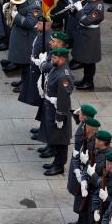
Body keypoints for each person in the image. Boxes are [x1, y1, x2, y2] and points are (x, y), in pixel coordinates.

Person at [38, 47, 74, 176]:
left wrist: (60, 117)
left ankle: (59, 166)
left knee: (60, 141)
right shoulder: (56, 68)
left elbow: (63, 99)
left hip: (58, 111)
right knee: (54, 137)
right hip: (51, 108)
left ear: (62, 59)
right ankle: (55, 162)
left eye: (54, 58)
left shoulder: (64, 76)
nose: (51, 60)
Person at [71, 0, 105, 91]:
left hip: (90, 35)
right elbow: (80, 17)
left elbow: (86, 21)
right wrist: (74, 10)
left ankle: (89, 82)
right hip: (84, 33)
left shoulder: (98, 7)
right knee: (85, 59)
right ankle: (85, 79)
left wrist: (79, 10)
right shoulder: (91, 2)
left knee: (89, 60)